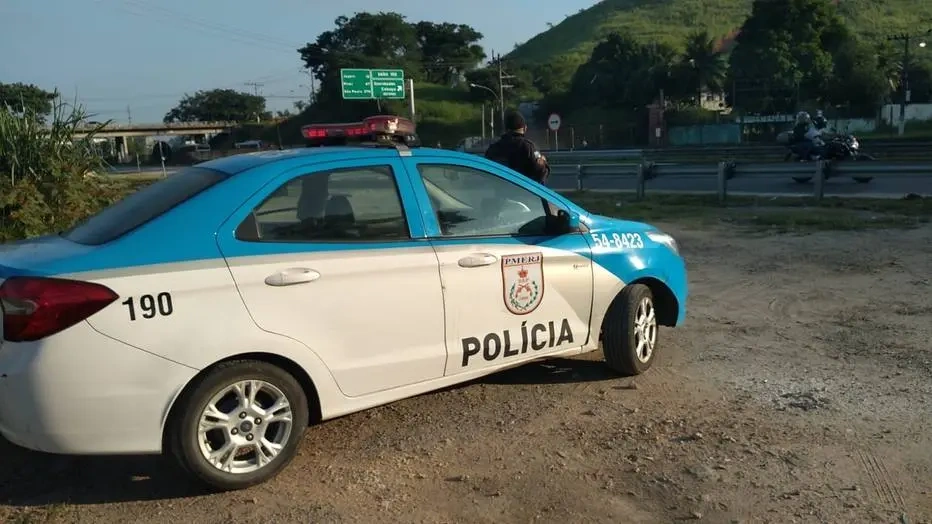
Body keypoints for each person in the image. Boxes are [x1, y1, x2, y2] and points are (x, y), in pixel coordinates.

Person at [484, 110, 550, 184]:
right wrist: (543, 163)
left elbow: (487, 173)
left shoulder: (493, 148)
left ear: (506, 129)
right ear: (525, 128)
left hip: (501, 193)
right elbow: (540, 174)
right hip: (523, 193)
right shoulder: (528, 147)